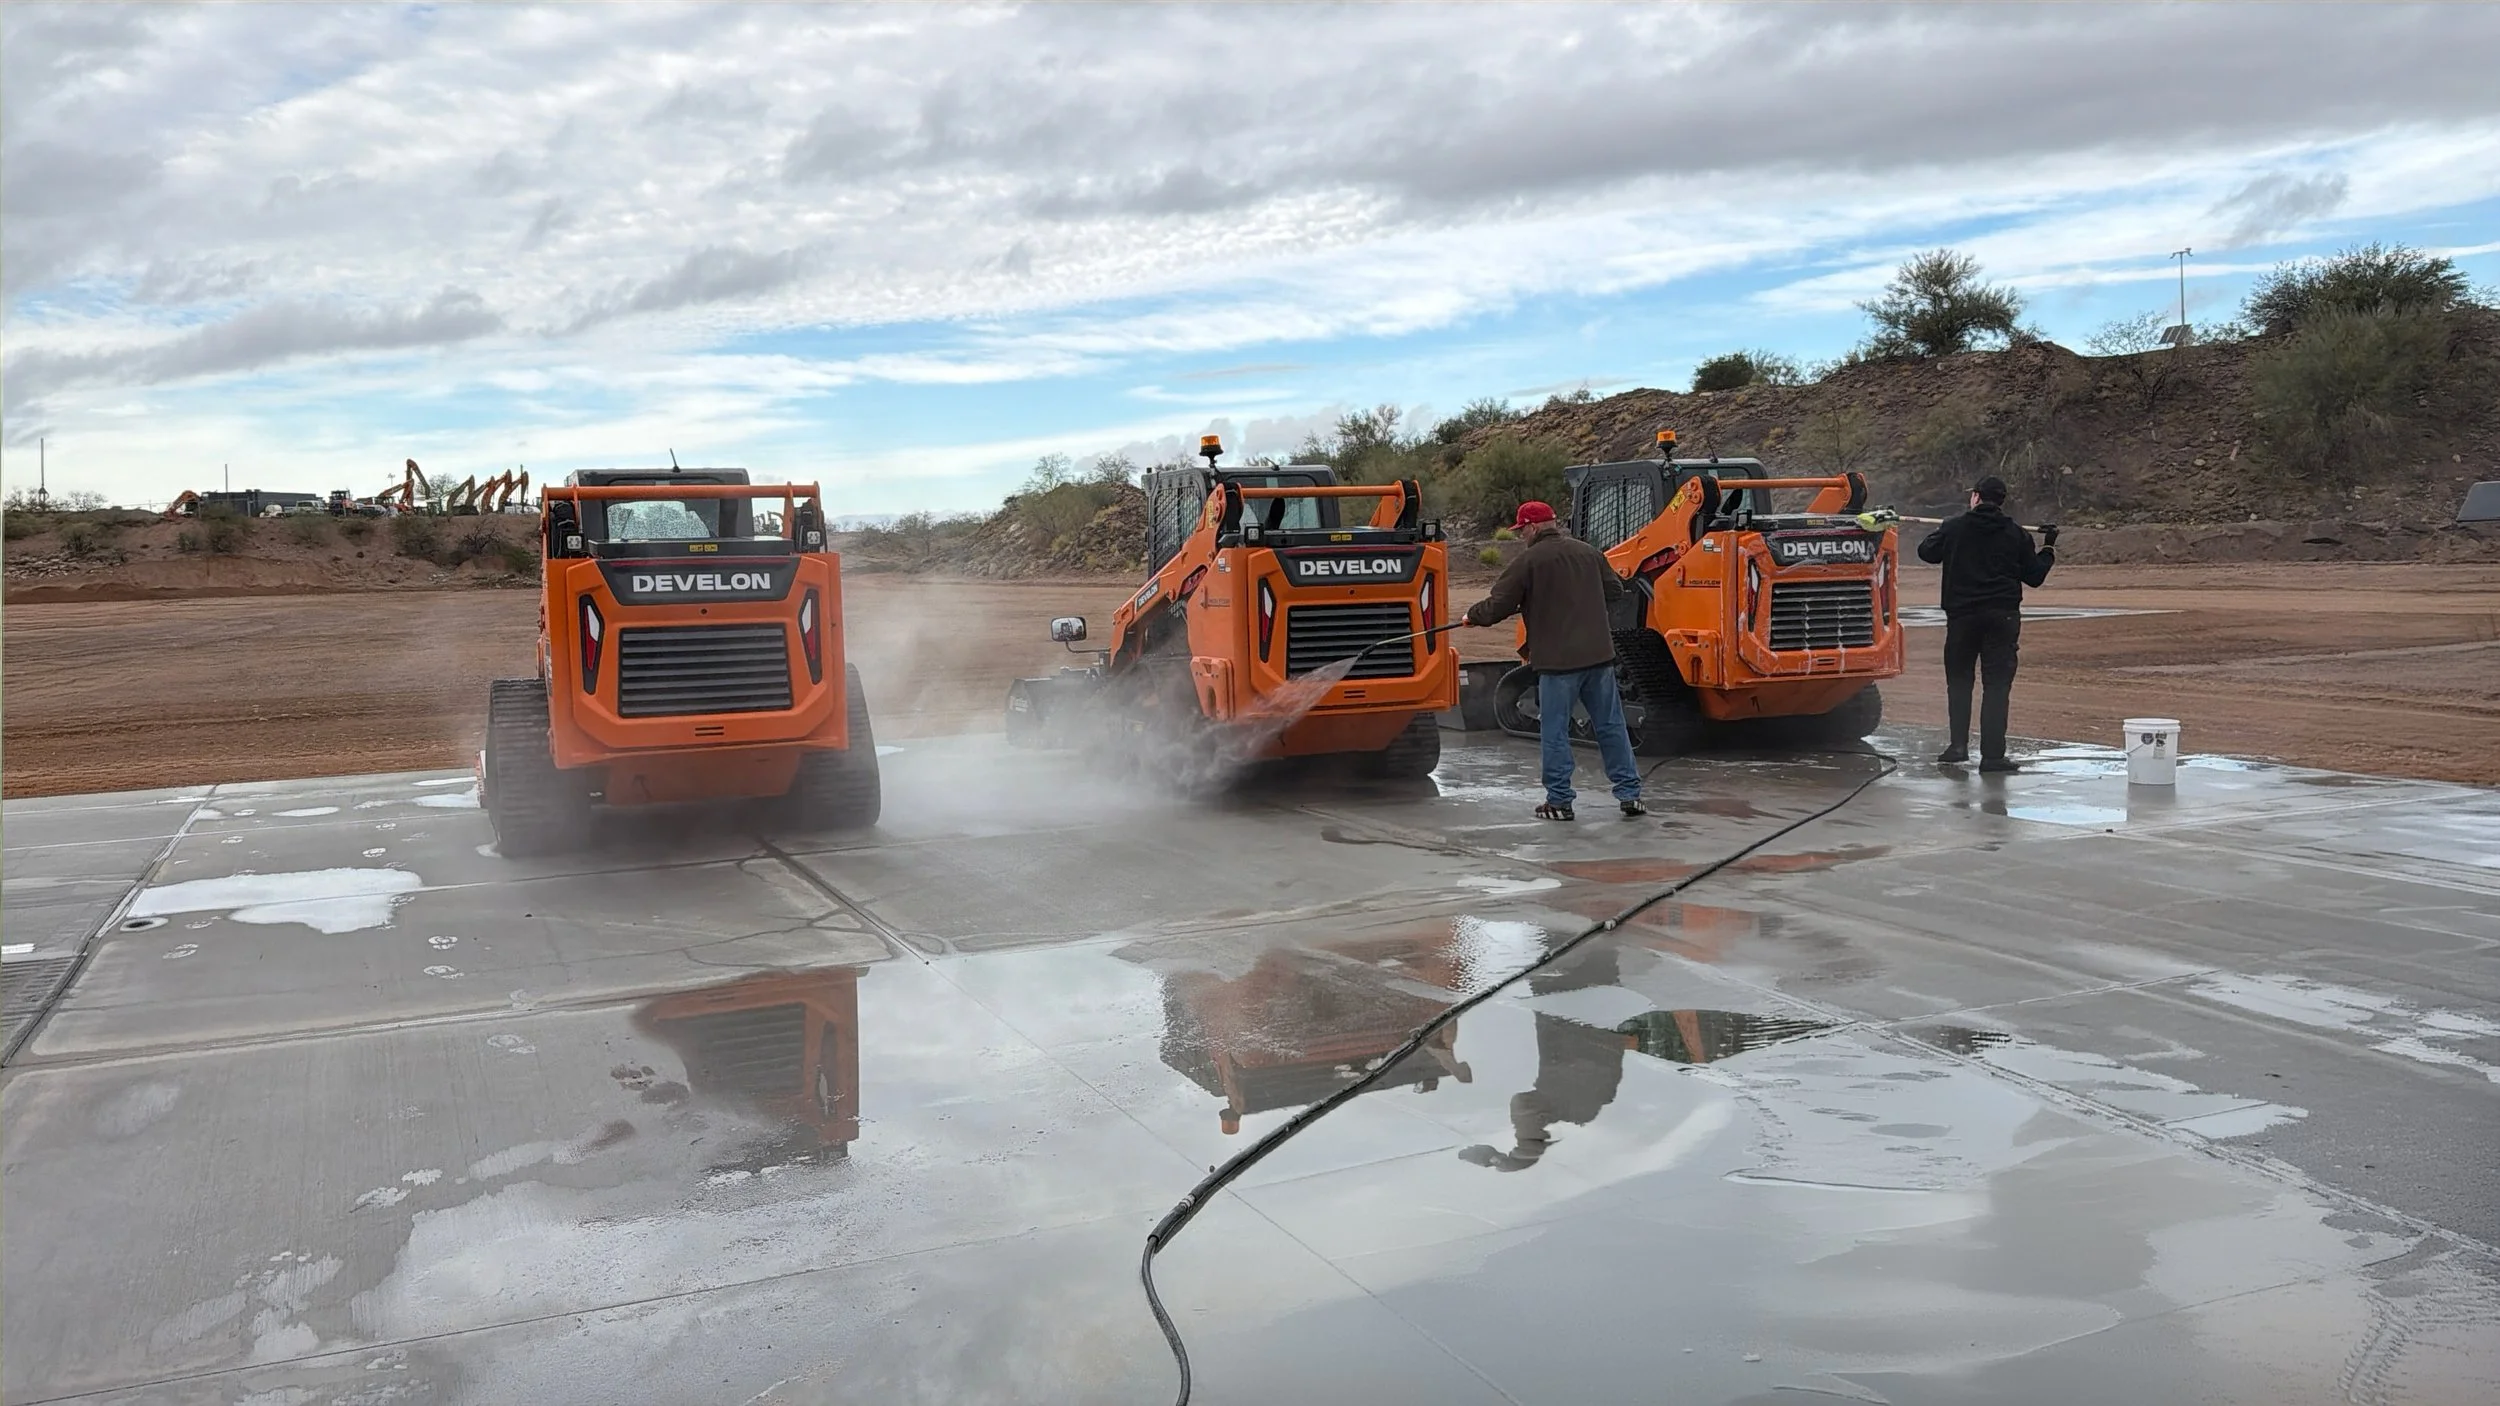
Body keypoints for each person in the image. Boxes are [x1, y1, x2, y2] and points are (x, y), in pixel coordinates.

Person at [1463, 501, 1645, 820]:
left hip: (1558, 664)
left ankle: (1560, 801)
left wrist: (1472, 616)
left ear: (1533, 527)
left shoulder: (1529, 561)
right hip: (1599, 657)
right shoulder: (1589, 553)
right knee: (1611, 725)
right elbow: (1615, 591)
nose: (1521, 537)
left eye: (1522, 531)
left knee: (1555, 731)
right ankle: (1630, 795)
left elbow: (1498, 606)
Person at [1916, 475, 2057, 772]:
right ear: (2001, 500)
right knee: (1996, 687)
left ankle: (1957, 747)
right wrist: (2048, 549)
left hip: (1961, 618)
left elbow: (1926, 553)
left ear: (1976, 497)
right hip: (2002, 618)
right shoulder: (2017, 534)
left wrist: (1943, 530)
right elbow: (2034, 577)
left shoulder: (1955, 527)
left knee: (1959, 683)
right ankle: (1993, 756)